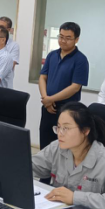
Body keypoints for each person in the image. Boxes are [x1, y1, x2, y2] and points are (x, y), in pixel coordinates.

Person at [32, 102, 105, 209]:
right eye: (59, 127)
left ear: (85, 131)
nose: (60, 134)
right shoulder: (56, 148)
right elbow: (28, 167)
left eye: (66, 128)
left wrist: (75, 198)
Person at [39, 22, 89, 150]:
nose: (63, 41)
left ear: (76, 39)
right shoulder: (52, 55)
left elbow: (75, 87)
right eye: (61, 37)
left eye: (68, 38)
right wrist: (46, 99)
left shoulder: (81, 60)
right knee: (45, 143)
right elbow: (43, 77)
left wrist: (51, 99)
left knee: (63, 146)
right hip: (48, 107)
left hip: (67, 109)